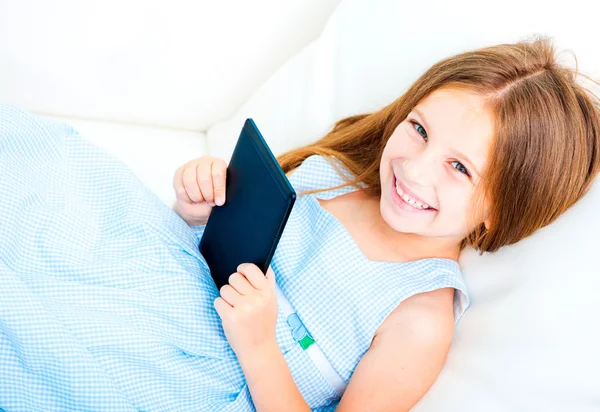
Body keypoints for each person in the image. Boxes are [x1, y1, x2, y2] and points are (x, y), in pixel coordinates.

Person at [0, 35, 598, 412]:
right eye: (417, 129)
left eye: (459, 167)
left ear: (502, 208)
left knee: (38, 335)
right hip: (167, 284)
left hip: (206, 376)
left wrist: (259, 343)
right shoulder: (333, 174)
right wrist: (199, 200)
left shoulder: (418, 314)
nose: (414, 169)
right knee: (50, 169)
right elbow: (211, 239)